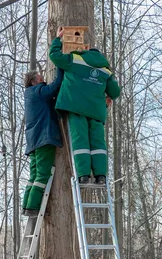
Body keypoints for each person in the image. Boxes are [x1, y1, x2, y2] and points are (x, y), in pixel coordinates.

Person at [48, 27, 121, 184]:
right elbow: (115, 92)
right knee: (97, 142)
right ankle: (101, 175)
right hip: (96, 111)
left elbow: (54, 56)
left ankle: (83, 175)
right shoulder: (105, 69)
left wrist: (58, 39)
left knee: (80, 139)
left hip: (76, 107)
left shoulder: (76, 59)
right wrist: (108, 96)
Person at [22, 69, 63, 215]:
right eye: (40, 78)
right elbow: (56, 85)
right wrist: (60, 67)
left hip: (33, 141)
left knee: (33, 176)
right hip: (44, 138)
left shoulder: (29, 95)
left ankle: (26, 206)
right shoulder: (38, 91)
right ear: (33, 81)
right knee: (42, 175)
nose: (42, 78)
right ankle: (34, 207)